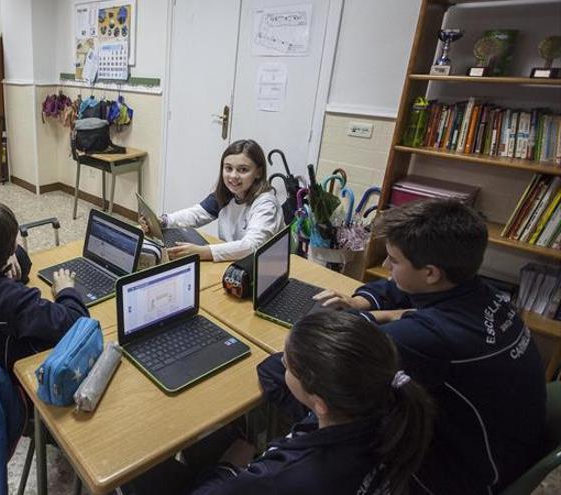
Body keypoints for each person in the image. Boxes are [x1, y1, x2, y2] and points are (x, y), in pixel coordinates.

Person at [313, 198, 547, 494]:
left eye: (394, 261)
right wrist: (361, 301)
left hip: (465, 475)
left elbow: (338, 350)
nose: (385, 266)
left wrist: (368, 316)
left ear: (431, 273)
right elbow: (397, 289)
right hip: (509, 444)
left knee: (330, 406)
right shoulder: (479, 292)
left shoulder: (429, 338)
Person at [129, 312, 435, 495]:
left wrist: (228, 467)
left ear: (320, 402)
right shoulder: (385, 408)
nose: (283, 365)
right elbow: (271, 370)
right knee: (217, 433)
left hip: (250, 479)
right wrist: (301, 351)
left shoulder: (285, 477)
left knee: (139, 469)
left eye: (290, 365)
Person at [0, 200, 88, 377]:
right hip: (17, 378)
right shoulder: (13, 299)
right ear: (10, 246)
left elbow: (23, 268)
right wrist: (66, 290)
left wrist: (8, 256)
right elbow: (77, 325)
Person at [139, 139, 283, 262]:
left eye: (243, 170)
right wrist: (163, 221)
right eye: (228, 168)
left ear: (258, 172)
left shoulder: (266, 204)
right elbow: (196, 214)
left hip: (263, 267)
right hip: (234, 260)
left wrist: (203, 252)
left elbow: (252, 246)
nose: (233, 176)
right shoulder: (227, 194)